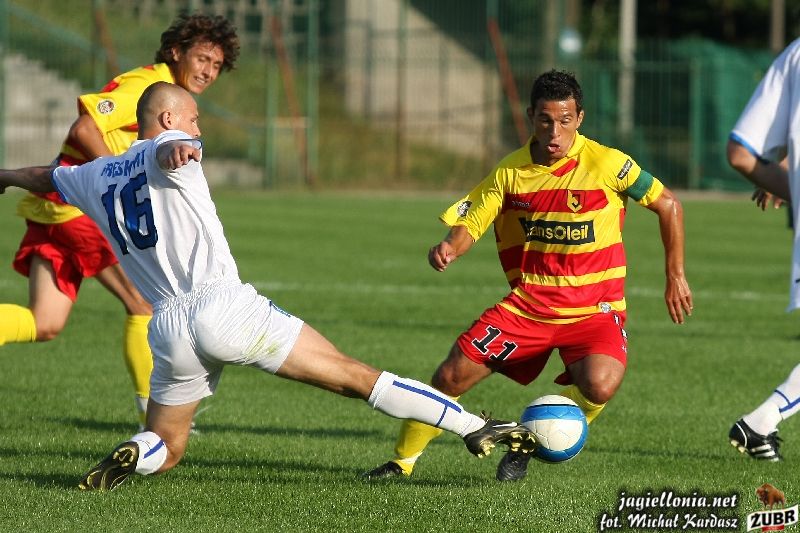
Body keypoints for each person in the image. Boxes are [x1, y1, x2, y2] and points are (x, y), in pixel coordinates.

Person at [0, 82, 537, 491]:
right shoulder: (175, 148)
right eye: (194, 118)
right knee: (355, 376)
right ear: (167, 119)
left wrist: (5, 177)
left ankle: (137, 452)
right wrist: (176, 151)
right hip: (223, 306)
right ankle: (474, 424)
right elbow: (170, 151)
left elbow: (48, 177)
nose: (199, 129)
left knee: (168, 443)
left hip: (166, 325)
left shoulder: (96, 174)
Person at [363, 69, 693, 483]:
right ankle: (402, 463)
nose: (555, 132)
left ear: (580, 118)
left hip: (594, 310)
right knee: (450, 376)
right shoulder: (511, 172)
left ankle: (529, 440)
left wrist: (675, 275)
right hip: (529, 307)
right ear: (530, 117)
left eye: (565, 121)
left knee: (600, 385)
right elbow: (474, 220)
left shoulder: (609, 164)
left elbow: (668, 205)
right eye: (545, 120)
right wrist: (450, 247)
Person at [0, 13, 240, 427]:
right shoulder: (146, 87)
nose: (208, 71)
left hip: (60, 204)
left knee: (44, 322)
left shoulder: (165, 94)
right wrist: (116, 177)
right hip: (80, 209)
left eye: (216, 65)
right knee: (143, 302)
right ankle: (154, 421)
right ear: (176, 52)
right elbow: (84, 128)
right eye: (202, 59)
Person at [725, 37, 800, 462]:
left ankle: (760, 421)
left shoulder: (795, 54)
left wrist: (790, 183)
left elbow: (741, 153)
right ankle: (760, 421)